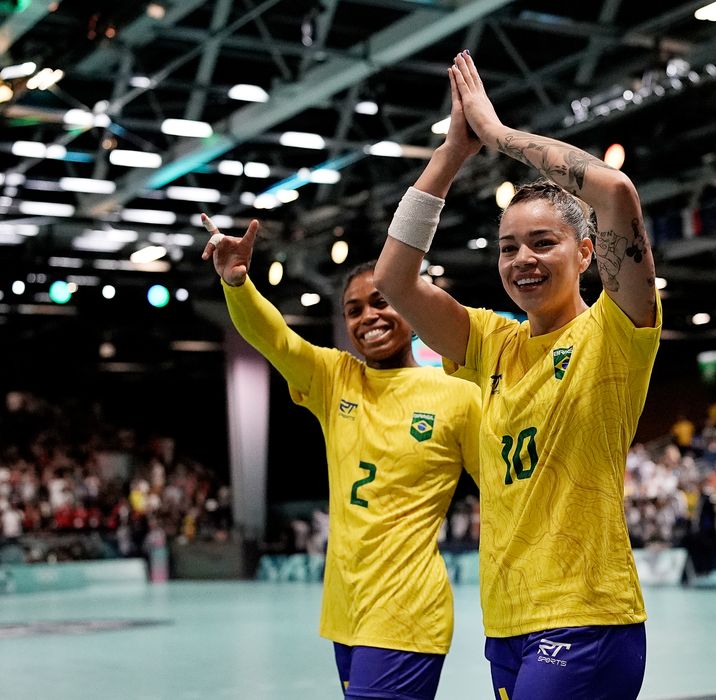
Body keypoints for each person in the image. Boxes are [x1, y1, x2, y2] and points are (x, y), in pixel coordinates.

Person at [373, 51, 660, 700]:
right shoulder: (491, 343)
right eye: (508, 247)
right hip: (506, 622)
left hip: (586, 618)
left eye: (542, 242)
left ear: (586, 251)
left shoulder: (616, 330)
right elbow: (393, 279)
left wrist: (499, 138)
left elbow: (614, 192)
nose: (522, 259)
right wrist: (451, 155)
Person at [200, 218, 481, 700]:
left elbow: (502, 490)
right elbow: (275, 339)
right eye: (354, 310)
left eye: (381, 301)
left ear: (410, 308)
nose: (368, 317)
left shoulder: (457, 397)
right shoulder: (336, 380)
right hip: (345, 611)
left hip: (407, 611)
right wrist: (237, 283)